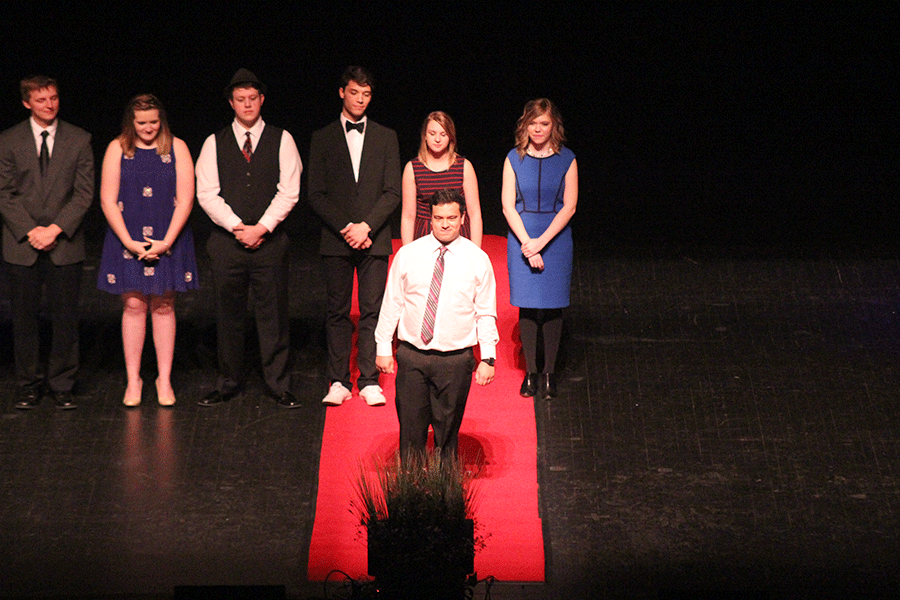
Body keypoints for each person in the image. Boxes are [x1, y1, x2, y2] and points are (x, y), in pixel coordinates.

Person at [195, 68, 302, 408]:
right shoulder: (214, 142)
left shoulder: (281, 139)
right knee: (228, 317)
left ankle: (278, 384)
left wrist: (262, 227)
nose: (247, 104)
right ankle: (228, 382)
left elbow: (290, 190)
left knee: (273, 316)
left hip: (269, 243)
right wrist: (238, 227)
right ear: (231, 103)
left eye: (252, 98)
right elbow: (207, 193)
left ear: (262, 100)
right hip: (228, 245)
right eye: (240, 99)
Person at [375, 188, 498, 460]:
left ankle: (445, 494)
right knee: (410, 433)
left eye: (452, 217)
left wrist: (488, 357)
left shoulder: (478, 260)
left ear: (463, 218)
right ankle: (410, 492)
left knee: (447, 436)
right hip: (412, 356)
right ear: (430, 217)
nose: (445, 224)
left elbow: (486, 312)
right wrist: (383, 345)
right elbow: (392, 301)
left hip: (455, 360)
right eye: (438, 217)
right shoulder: (409, 255)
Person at [308, 66, 401, 408]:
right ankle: (338, 380)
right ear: (341, 93)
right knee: (337, 311)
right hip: (337, 239)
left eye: (366, 94)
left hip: (373, 238)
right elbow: (315, 193)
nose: (360, 99)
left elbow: (392, 192)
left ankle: (370, 379)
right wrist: (348, 228)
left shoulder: (386, 135)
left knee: (372, 310)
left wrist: (366, 228)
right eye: (354, 93)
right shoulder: (322, 137)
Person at [97, 94, 198, 407]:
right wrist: (128, 241)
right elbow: (108, 200)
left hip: (169, 238)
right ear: (131, 122)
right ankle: (133, 378)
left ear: (161, 120)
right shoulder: (117, 148)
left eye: (154, 121)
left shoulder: (177, 147)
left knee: (165, 306)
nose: (148, 128)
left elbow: (186, 199)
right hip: (127, 239)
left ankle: (163, 378)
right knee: (133, 306)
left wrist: (166, 241)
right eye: (141, 123)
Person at [0, 76, 94, 410]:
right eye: (41, 100)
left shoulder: (79, 139)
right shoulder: (8, 140)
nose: (50, 105)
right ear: (27, 103)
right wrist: (31, 232)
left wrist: (54, 229)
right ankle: (28, 383)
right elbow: (5, 193)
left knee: (65, 318)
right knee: (24, 318)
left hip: (63, 243)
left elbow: (84, 195)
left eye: (53, 98)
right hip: (21, 244)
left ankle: (62, 383)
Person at [501, 98, 578, 401]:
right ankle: (531, 373)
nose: (538, 128)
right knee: (528, 305)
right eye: (533, 122)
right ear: (525, 125)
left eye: (543, 123)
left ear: (553, 126)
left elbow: (570, 205)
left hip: (555, 239)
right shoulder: (513, 158)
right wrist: (526, 245)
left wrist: (541, 243)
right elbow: (508, 205)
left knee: (553, 305)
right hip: (522, 236)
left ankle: (549, 374)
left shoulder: (568, 158)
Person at [400, 111, 482, 247]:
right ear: (425, 136)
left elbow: (474, 214)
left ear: (450, 137)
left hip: (458, 235)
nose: (437, 139)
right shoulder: (412, 168)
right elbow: (408, 216)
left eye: (443, 134)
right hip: (424, 236)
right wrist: (407, 254)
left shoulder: (464, 166)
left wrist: (476, 253)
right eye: (432, 133)